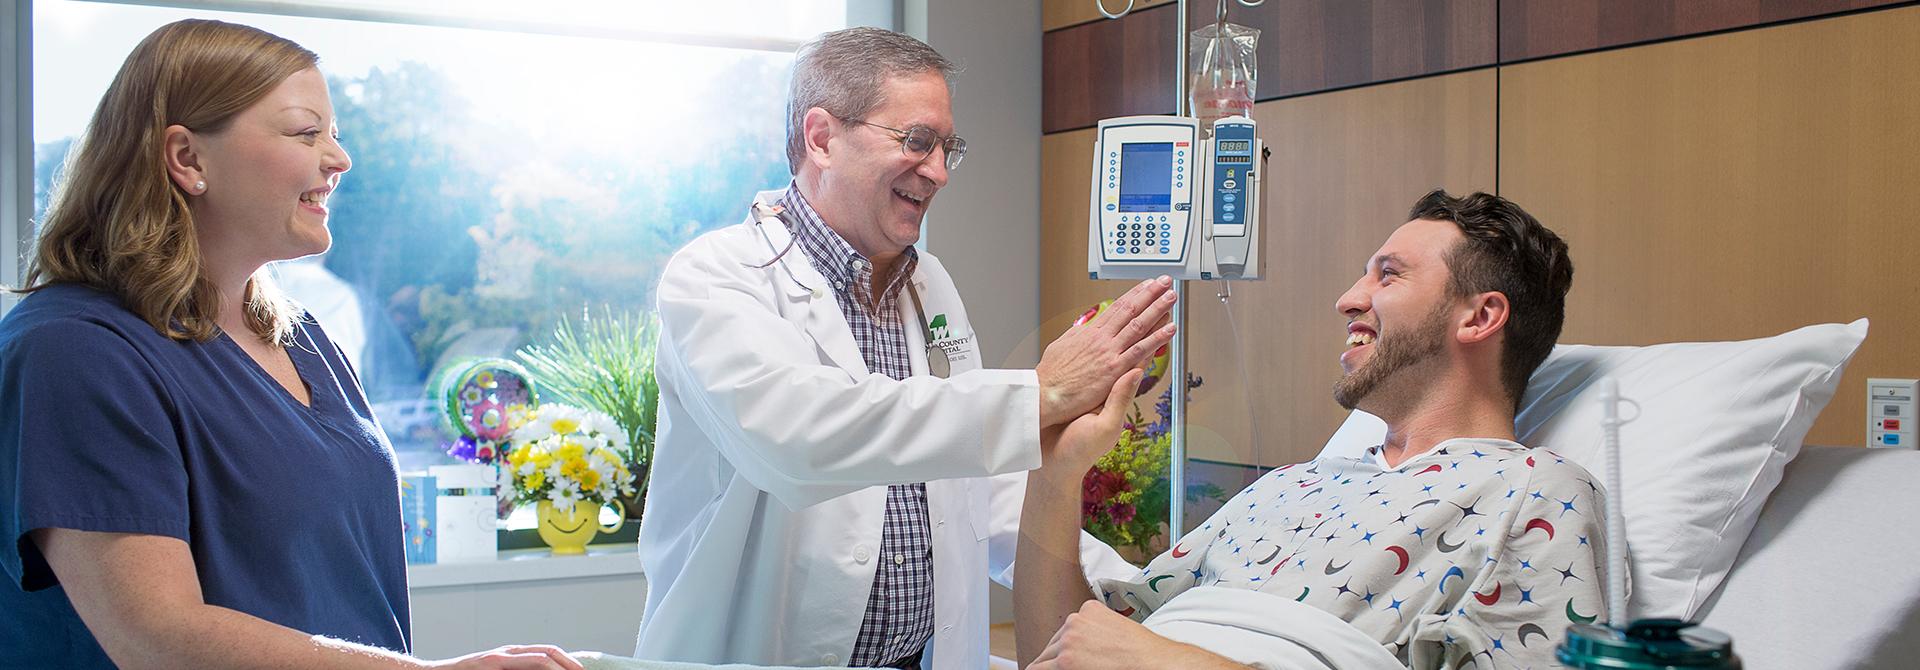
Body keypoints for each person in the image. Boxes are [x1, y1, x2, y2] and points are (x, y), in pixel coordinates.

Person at [0, 20, 579, 670]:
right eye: (307, 133)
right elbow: (157, 637)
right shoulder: (74, 352)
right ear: (188, 158)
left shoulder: (305, 339)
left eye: (335, 134)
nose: (339, 160)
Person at [637, 27, 1177, 669]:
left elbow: (975, 486)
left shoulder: (928, 283)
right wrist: (1041, 393)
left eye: (949, 147)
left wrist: (1138, 592)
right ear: (822, 138)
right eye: (917, 141)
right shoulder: (716, 278)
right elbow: (799, 442)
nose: (939, 172)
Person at [1014, 190, 1607, 670]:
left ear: (1480, 316)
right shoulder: (1289, 485)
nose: (1348, 299)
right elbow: (1058, 650)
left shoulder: (1535, 489)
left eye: (1388, 276)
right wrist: (1056, 476)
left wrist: (1170, 662)